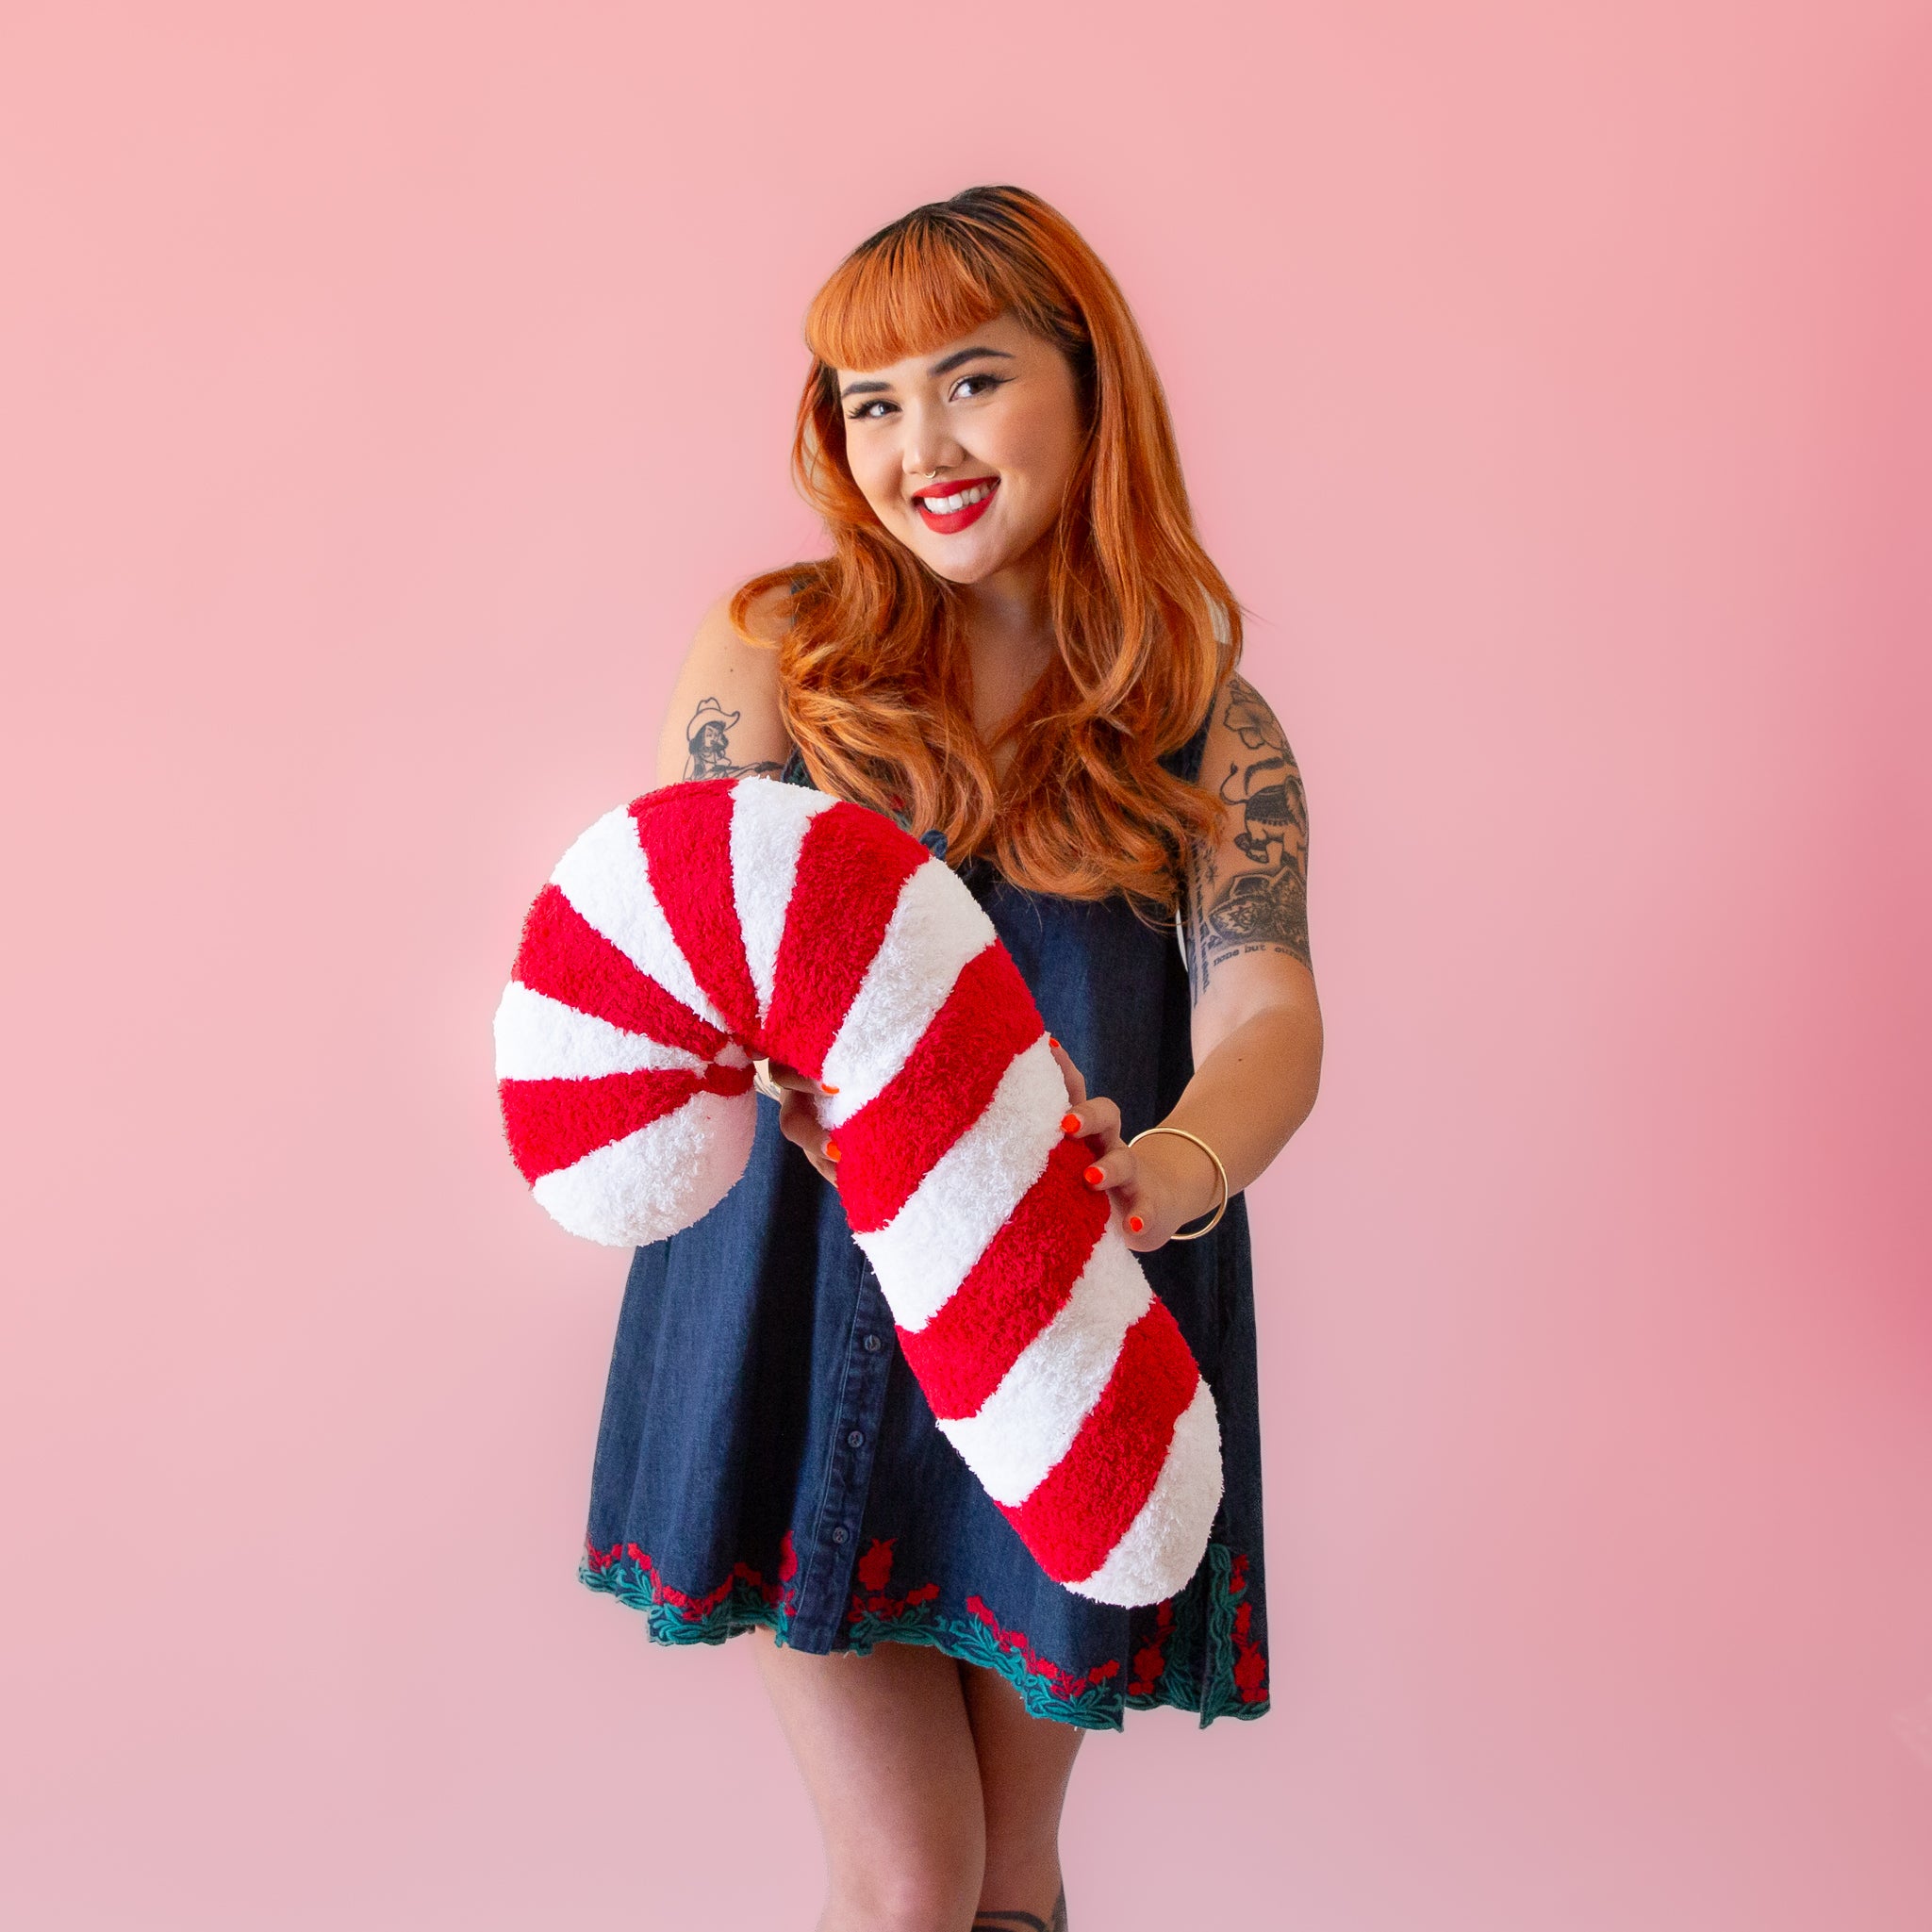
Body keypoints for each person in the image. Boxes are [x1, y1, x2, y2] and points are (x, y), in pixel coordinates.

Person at [582, 186, 1323, 1932]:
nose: (923, 442)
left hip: (1058, 1321)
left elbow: (1266, 1011)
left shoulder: (1198, 716)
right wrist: (769, 1075)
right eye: (871, 400)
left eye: (971, 379)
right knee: (910, 1879)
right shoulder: (776, 653)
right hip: (793, 1295)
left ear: (1086, 383)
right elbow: (680, 947)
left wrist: (1177, 1164)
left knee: (1001, 1881)